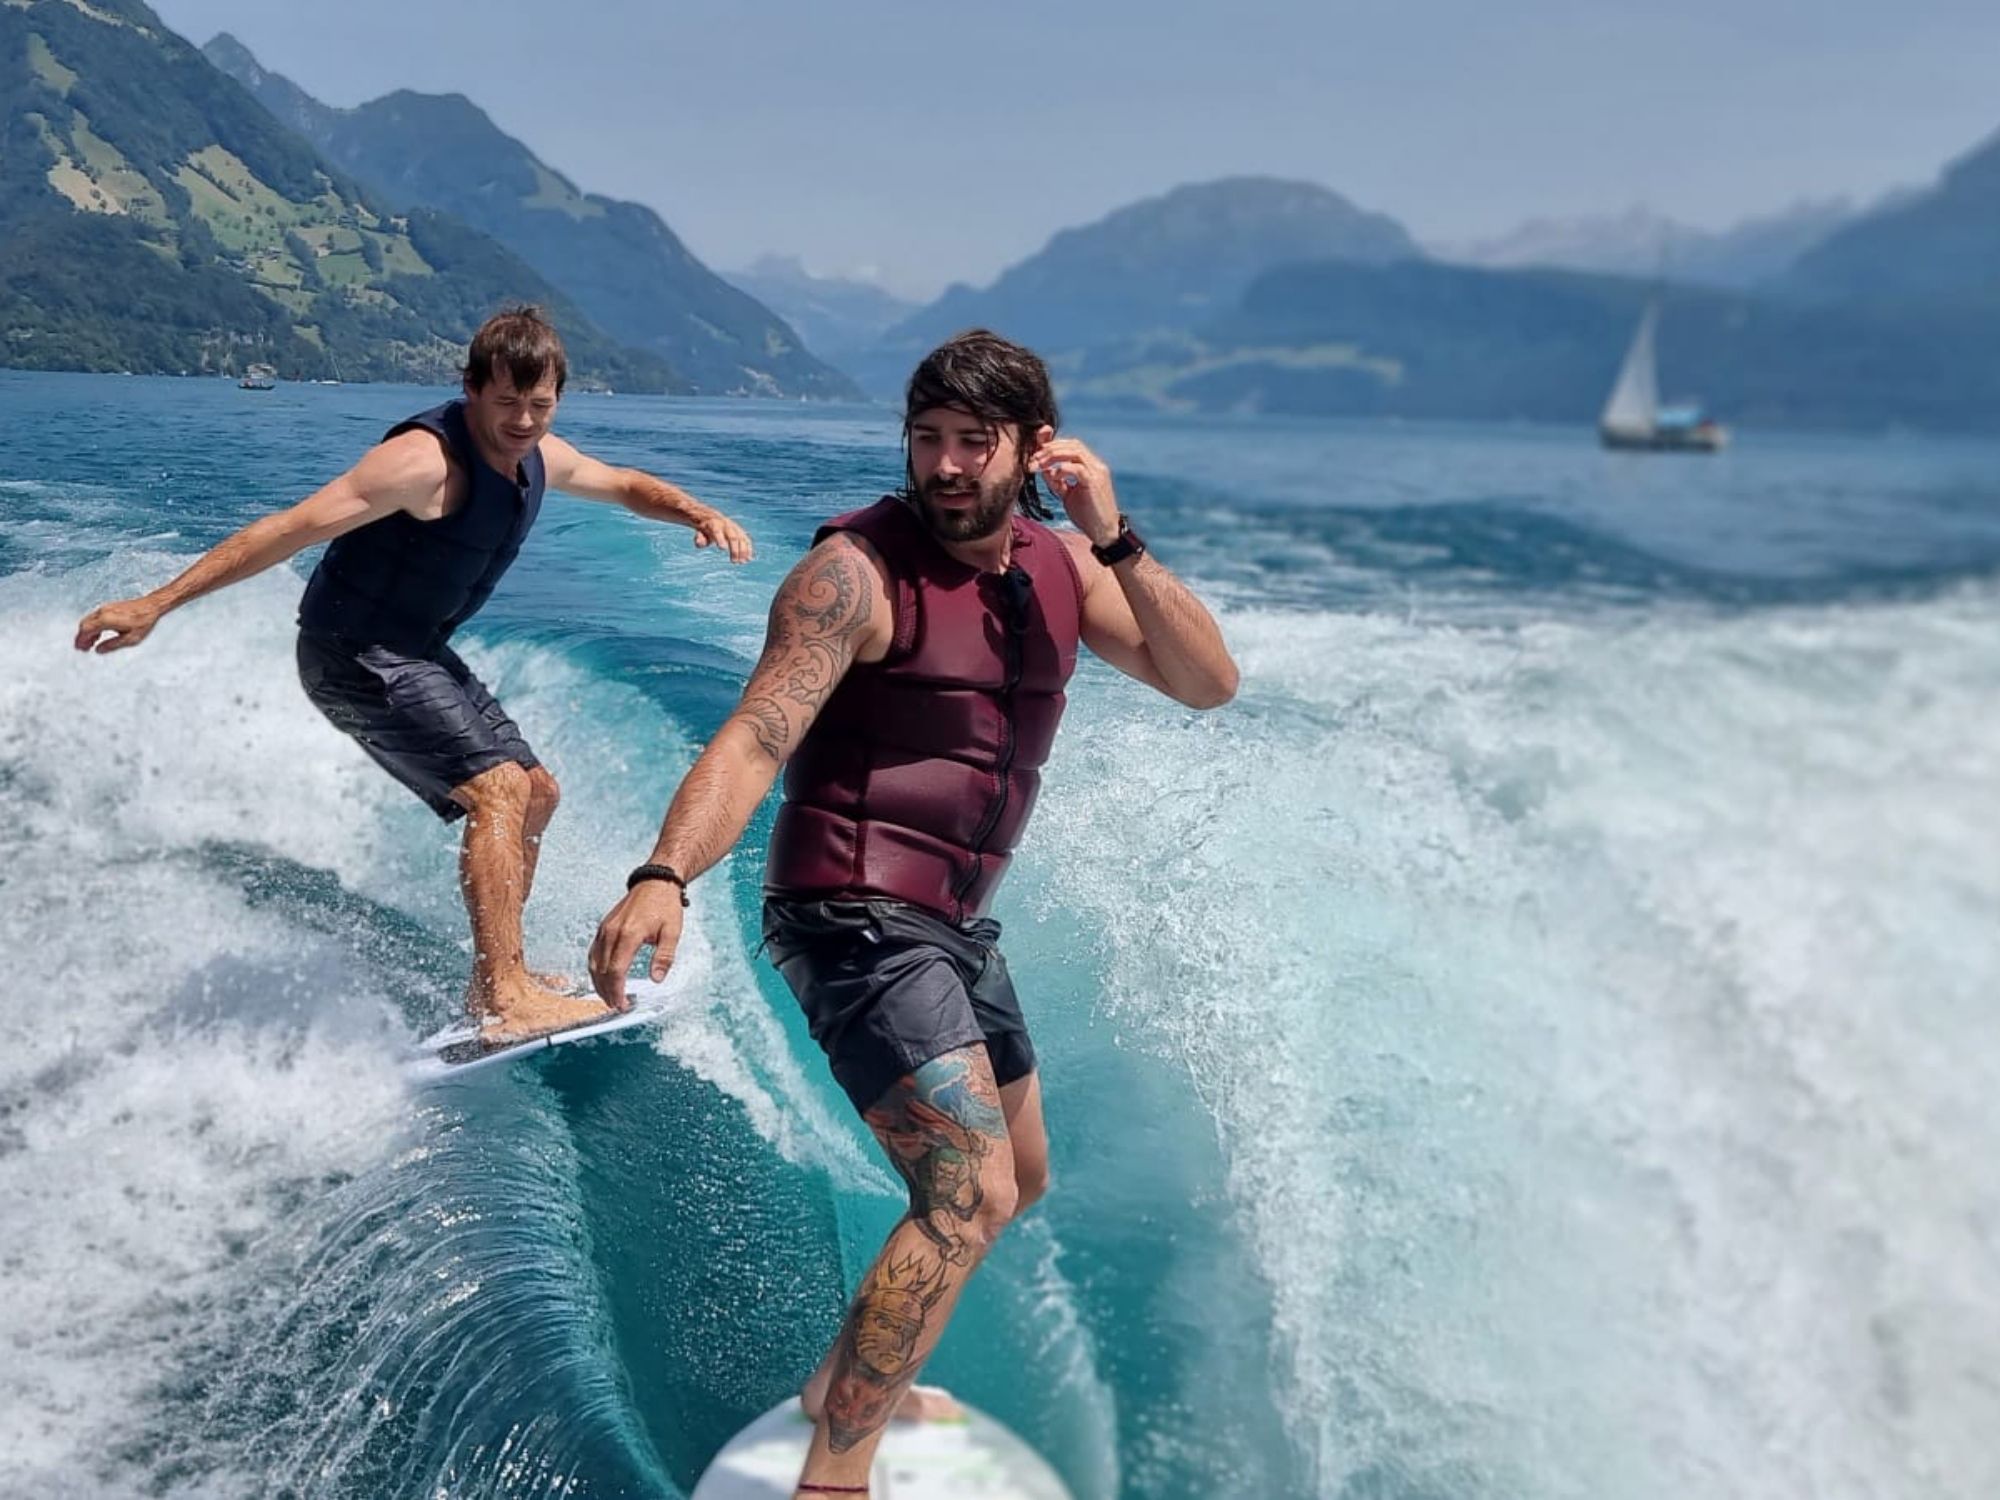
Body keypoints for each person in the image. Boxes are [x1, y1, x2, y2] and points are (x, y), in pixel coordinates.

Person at [588, 329, 1238, 1496]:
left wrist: (1114, 533)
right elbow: (754, 733)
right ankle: (831, 1480)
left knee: (1019, 1178)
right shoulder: (854, 574)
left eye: (972, 445)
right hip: (849, 907)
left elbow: (1205, 682)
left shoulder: (1061, 566)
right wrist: (663, 873)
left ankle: (826, 1386)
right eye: (926, 440)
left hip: (948, 926)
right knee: (965, 1191)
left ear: (1034, 452)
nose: (944, 466)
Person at [74, 306, 754, 1046]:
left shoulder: (538, 453)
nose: (523, 421)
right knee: (496, 791)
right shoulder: (421, 463)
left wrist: (697, 510)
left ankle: (502, 975)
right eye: (506, 404)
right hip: (351, 652)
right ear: (470, 389)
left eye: (540, 405)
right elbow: (287, 529)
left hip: (417, 648)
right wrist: (156, 603)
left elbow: (620, 484)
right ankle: (504, 999)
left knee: (536, 792)